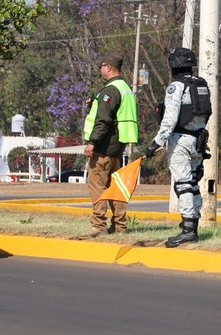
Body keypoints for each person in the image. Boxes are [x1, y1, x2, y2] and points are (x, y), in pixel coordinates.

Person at [145, 47, 212, 247]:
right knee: (192, 183)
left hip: (180, 142)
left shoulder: (176, 87)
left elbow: (169, 120)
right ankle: (192, 223)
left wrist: (154, 144)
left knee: (182, 185)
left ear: (173, 65)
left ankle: (188, 231)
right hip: (198, 141)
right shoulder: (201, 84)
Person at [82, 54, 138, 236]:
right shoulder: (125, 88)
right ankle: (120, 226)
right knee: (116, 187)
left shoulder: (110, 90)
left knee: (97, 184)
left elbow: (103, 121)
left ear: (108, 67)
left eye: (101, 66)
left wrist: (92, 142)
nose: (100, 70)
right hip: (118, 146)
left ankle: (98, 225)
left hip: (104, 147)